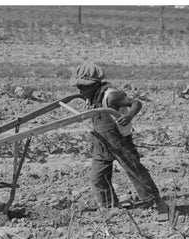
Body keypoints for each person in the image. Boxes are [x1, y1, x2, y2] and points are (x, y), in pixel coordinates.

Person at [70, 62, 169, 221]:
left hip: (119, 142)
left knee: (135, 170)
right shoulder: (91, 95)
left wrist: (129, 116)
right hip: (101, 142)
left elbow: (136, 103)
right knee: (98, 177)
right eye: (78, 86)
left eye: (83, 86)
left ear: (95, 84)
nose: (80, 90)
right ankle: (110, 206)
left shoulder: (111, 96)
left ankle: (157, 203)